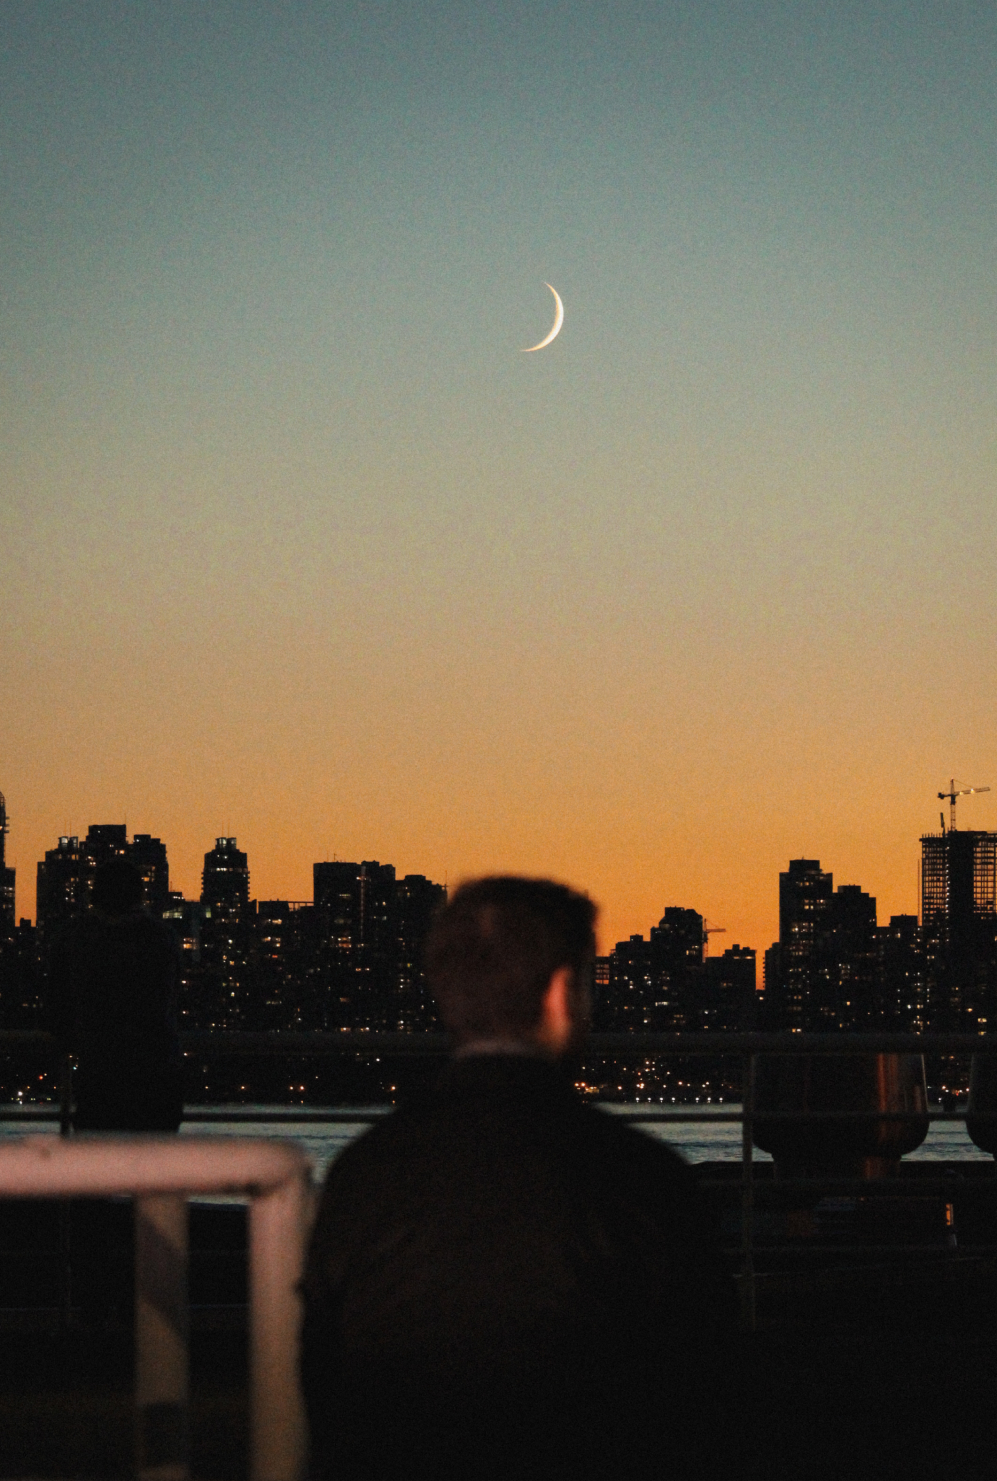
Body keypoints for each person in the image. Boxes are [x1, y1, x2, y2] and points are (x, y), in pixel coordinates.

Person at [302, 876, 737, 1480]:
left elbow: (322, 1382)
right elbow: (707, 1391)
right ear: (561, 994)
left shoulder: (361, 1173)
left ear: (445, 992)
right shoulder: (640, 1177)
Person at [49, 857, 184, 1132]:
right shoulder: (161, 937)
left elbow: (57, 1006)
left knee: (101, 1166)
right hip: (156, 1073)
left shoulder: (74, 937)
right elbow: (168, 1001)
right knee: (156, 1166)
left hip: (99, 1073)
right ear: (140, 893)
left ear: (96, 893)